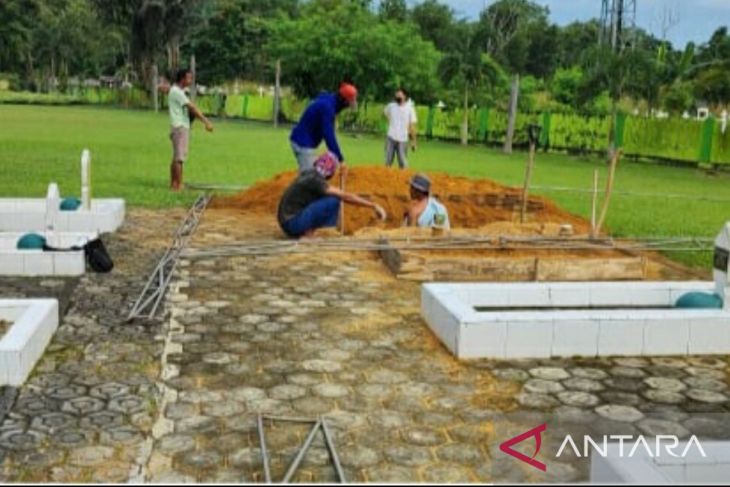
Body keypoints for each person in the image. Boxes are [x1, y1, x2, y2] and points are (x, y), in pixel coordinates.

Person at [278, 153, 386, 238]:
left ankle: (308, 231)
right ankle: (323, 232)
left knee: (326, 198)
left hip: (287, 222)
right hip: (292, 224)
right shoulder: (316, 181)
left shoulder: (310, 174)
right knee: (333, 200)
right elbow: (344, 196)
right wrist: (372, 205)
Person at [289, 83, 358, 172]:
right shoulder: (328, 108)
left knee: (310, 175)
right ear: (343, 101)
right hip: (302, 144)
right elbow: (329, 135)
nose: (349, 105)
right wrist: (340, 159)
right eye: (349, 102)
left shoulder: (329, 100)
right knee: (310, 178)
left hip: (303, 141)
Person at [168, 68, 214, 191]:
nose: (191, 80)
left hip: (178, 126)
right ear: (182, 79)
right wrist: (206, 122)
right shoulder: (177, 92)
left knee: (177, 156)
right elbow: (192, 108)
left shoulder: (178, 91)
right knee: (179, 158)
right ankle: (178, 185)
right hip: (180, 127)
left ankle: (174, 184)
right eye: (189, 78)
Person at [383, 88, 418, 169]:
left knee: (403, 162)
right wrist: (389, 120)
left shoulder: (410, 109)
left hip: (403, 139)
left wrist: (414, 142)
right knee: (387, 161)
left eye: (399, 95)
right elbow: (384, 113)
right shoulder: (391, 106)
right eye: (396, 95)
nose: (397, 97)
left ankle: (403, 179)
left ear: (405, 96)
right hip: (391, 137)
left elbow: (412, 126)